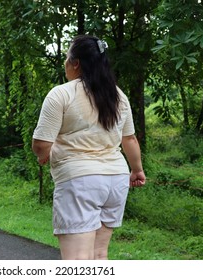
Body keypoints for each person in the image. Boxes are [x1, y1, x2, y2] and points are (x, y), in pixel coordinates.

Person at [32, 35, 146, 260]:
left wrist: (44, 155)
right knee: (99, 255)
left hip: (80, 181)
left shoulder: (62, 93)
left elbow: (41, 144)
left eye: (67, 58)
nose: (65, 63)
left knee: (77, 260)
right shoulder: (119, 96)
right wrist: (137, 170)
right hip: (116, 179)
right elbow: (129, 139)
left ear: (76, 63)